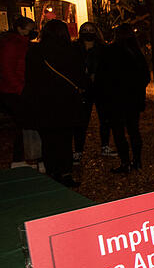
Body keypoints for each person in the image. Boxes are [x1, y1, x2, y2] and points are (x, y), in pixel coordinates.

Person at [23, 19, 88, 187]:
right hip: (66, 102)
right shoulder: (72, 50)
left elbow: (30, 78)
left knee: (48, 140)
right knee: (65, 140)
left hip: (43, 103)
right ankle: (66, 173)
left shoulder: (35, 51)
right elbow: (80, 76)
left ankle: (52, 173)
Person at [96, 23, 150, 173]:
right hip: (132, 99)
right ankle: (137, 161)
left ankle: (125, 162)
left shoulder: (110, 52)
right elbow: (145, 77)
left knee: (119, 132)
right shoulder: (136, 53)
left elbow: (101, 77)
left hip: (115, 100)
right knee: (134, 130)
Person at [0, 16, 36, 166]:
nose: (32, 32)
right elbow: (7, 70)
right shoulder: (12, 44)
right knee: (23, 124)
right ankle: (18, 158)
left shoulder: (22, 43)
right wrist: (20, 88)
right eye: (30, 29)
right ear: (20, 29)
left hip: (18, 88)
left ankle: (22, 157)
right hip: (12, 91)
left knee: (23, 124)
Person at [72, 22, 110, 162]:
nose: (88, 32)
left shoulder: (103, 49)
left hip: (100, 88)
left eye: (91, 30)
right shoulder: (75, 48)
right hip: (83, 88)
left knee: (104, 119)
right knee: (81, 120)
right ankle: (78, 150)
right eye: (85, 30)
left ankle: (105, 145)